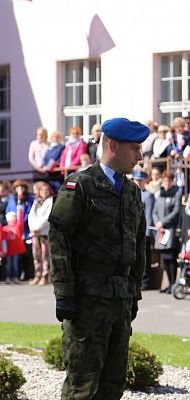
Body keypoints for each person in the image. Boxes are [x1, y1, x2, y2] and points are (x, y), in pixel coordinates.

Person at [48, 117, 148, 399]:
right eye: (135, 149)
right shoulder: (80, 185)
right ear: (113, 145)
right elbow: (59, 240)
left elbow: (139, 246)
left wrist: (134, 294)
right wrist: (64, 294)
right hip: (87, 299)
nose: (140, 157)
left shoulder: (131, 192)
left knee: (113, 385)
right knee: (82, 386)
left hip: (120, 298)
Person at [152, 171, 181, 294]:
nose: (166, 183)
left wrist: (163, 222)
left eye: (169, 181)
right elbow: (154, 211)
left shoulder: (176, 194)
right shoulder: (159, 194)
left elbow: (176, 212)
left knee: (171, 257)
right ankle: (169, 284)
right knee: (164, 258)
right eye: (164, 181)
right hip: (161, 231)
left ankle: (173, 284)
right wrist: (157, 222)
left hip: (170, 231)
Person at [132, 169, 156, 291]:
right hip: (132, 231)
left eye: (140, 181)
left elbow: (149, 214)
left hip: (143, 231)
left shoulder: (148, 195)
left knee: (143, 257)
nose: (138, 183)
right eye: (136, 180)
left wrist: (147, 232)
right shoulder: (131, 193)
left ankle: (145, 281)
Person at [28, 182, 54, 285]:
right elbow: (31, 216)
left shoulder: (51, 201)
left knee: (45, 255)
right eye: (43, 190)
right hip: (34, 233)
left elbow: (48, 217)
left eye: (46, 190)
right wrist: (33, 228)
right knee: (36, 254)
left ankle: (45, 276)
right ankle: (37, 275)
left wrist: (38, 228)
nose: (45, 192)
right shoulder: (36, 202)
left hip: (44, 232)